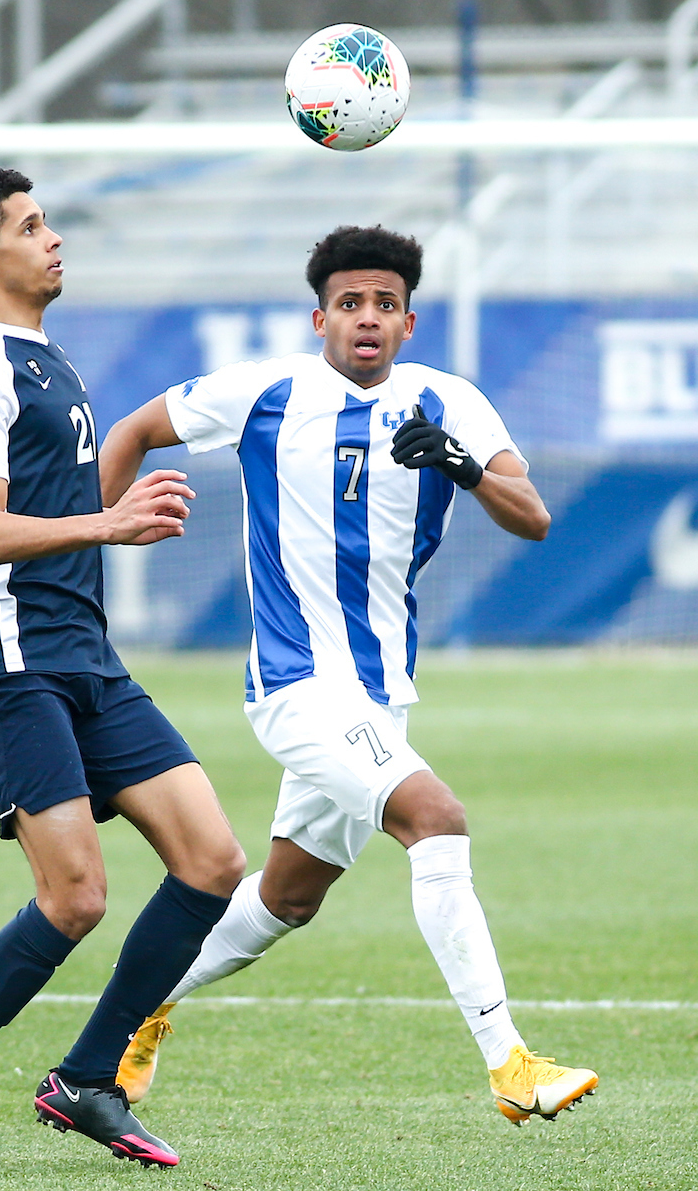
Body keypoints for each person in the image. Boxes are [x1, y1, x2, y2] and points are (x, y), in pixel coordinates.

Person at [99, 224, 598, 1127]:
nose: (366, 319)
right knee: (436, 820)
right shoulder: (264, 390)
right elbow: (134, 430)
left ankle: (136, 1016)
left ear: (410, 323)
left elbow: (534, 517)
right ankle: (510, 1064)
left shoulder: (451, 401)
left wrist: (460, 461)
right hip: (295, 686)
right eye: (349, 303)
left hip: (378, 697)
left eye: (385, 304)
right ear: (320, 317)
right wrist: (94, 533)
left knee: (288, 896)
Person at [0, 165, 245, 1171]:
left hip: (84, 651)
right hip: (10, 660)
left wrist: (119, 503)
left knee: (213, 862)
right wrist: (111, 521)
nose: (54, 239)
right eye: (31, 226)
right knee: (76, 897)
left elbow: (64, 493)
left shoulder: (45, 357)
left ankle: (88, 1079)